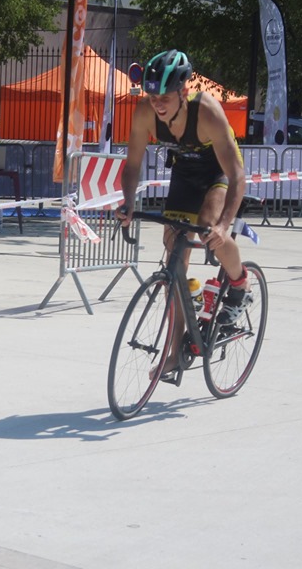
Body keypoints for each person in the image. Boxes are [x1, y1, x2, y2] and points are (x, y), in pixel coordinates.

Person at [116, 50, 251, 380]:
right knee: (174, 255)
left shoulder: (207, 112)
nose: (158, 104)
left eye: (164, 97)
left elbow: (237, 176)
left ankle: (239, 284)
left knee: (208, 228)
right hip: (185, 174)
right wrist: (129, 202)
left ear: (183, 91)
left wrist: (224, 225)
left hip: (218, 173)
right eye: (153, 97)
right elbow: (132, 165)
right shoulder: (145, 112)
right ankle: (175, 353)